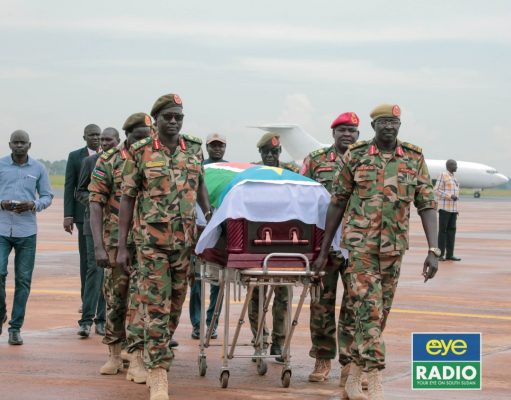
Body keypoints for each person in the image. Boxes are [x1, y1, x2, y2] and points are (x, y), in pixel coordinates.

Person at [313, 104, 440, 400]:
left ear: (399, 125)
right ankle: (375, 377)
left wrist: (434, 249)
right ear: (373, 126)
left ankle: (354, 376)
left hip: (393, 251)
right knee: (369, 311)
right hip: (361, 250)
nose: (389, 127)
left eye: (394, 122)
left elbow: (427, 204)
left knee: (377, 315)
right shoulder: (356, 156)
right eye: (383, 122)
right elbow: (337, 202)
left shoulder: (413, 158)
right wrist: (323, 249)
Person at [116, 93, 212, 400]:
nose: (173, 122)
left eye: (178, 117)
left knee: (175, 306)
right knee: (156, 306)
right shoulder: (141, 151)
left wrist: (209, 213)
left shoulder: (193, 149)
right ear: (155, 119)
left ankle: (150, 353)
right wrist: (122, 245)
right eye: (167, 117)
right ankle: (158, 373)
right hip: (151, 244)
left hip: (184, 244)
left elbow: (200, 185)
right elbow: (128, 198)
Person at [88, 115, 152, 378]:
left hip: (147, 242)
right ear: (127, 135)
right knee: (116, 300)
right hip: (115, 242)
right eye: (138, 137)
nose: (143, 141)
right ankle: (114, 354)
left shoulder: (155, 157)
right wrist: (98, 247)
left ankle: (137, 359)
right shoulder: (109, 159)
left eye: (147, 136)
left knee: (141, 301)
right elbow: (95, 203)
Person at [301, 112, 360, 385]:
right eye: (342, 130)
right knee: (321, 304)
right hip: (322, 244)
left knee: (354, 305)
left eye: (352, 130)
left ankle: (349, 363)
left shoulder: (364, 159)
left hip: (356, 244)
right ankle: (322, 358)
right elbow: (301, 196)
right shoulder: (316, 160)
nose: (347, 134)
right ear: (333, 133)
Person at [247, 132, 299, 363]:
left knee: (284, 296)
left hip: (285, 240)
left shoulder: (291, 171)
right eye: (266, 152)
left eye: (274, 151)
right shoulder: (253, 172)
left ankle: (279, 342)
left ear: (280, 152)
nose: (270, 155)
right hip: (257, 239)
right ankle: (260, 340)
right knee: (256, 296)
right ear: (260, 152)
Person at [0, 130, 53, 345]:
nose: (19, 145)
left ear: (29, 145)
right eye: (16, 142)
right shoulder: (1, 165)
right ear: (10, 144)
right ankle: (1, 312)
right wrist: (1, 203)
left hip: (27, 231)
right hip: (2, 229)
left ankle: (15, 328)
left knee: (23, 280)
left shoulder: (38, 168)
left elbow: (47, 196)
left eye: (23, 142)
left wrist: (34, 204)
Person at [75, 128, 120, 337]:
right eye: (102, 140)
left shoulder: (124, 162)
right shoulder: (90, 162)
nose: (104, 143)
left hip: (116, 225)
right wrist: (96, 201)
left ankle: (102, 319)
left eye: (109, 139)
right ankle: (86, 320)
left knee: (109, 271)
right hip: (92, 223)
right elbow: (80, 191)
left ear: (118, 141)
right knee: (94, 270)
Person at [189, 132, 228, 340]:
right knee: (196, 282)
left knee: (217, 282)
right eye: (213, 145)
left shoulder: (229, 171)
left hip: (219, 231)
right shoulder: (197, 167)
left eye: (220, 145)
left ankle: (212, 323)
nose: (217, 149)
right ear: (207, 147)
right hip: (198, 230)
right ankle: (197, 324)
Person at [63, 124, 101, 312]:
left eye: (98, 135)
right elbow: (70, 186)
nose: (96, 138)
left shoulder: (111, 155)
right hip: (82, 215)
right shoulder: (75, 157)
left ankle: (102, 301)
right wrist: (68, 215)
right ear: (84, 137)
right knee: (87, 259)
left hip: (108, 216)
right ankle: (86, 300)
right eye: (91, 135)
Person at [434, 159, 461, 261]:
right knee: (443, 232)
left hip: (453, 210)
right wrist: (450, 196)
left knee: (451, 232)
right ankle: (440, 255)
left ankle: (450, 254)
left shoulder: (454, 178)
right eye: (454, 165)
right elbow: (436, 190)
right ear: (449, 166)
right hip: (444, 209)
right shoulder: (443, 175)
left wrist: (456, 209)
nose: (456, 167)